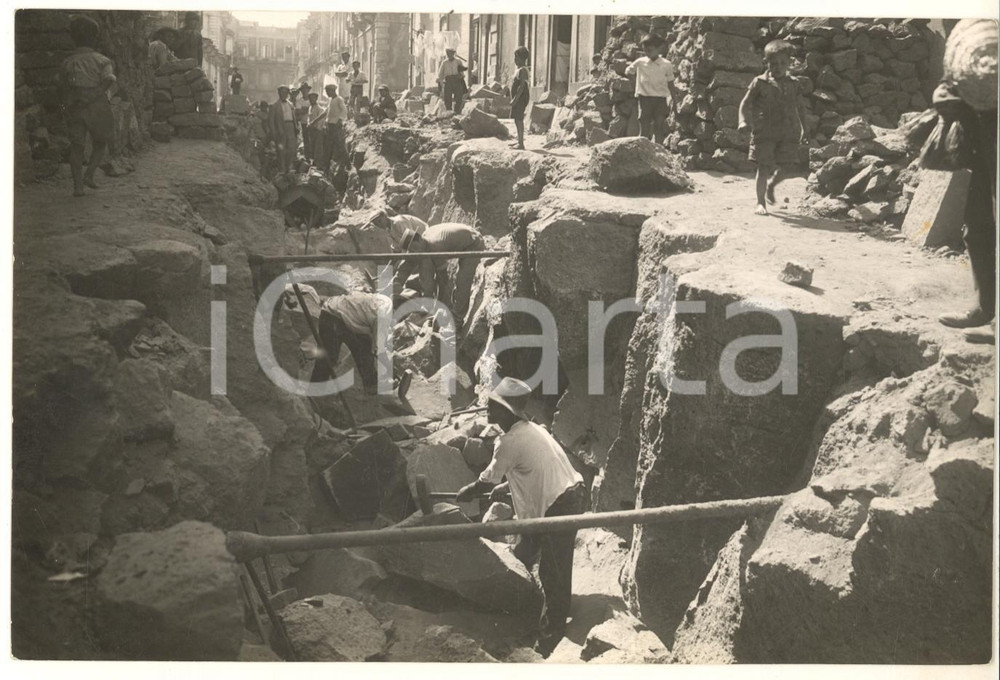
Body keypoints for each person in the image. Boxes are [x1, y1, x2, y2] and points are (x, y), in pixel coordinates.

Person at [455, 377, 586, 658]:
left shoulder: (509, 440)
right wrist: (505, 488)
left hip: (558, 504)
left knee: (553, 571)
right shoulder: (533, 430)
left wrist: (467, 492)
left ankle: (550, 636)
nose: (488, 411)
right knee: (526, 551)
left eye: (493, 407)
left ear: (507, 412)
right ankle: (529, 612)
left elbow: (486, 480)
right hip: (569, 493)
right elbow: (528, 468)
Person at [913, 19, 997, 340]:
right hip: (983, 148)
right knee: (977, 227)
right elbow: (945, 94)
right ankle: (986, 308)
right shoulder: (971, 55)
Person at [738, 39, 805, 216]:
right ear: (766, 63)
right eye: (773, 63)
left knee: (787, 166)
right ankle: (760, 203)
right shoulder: (759, 82)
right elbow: (745, 103)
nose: (778, 67)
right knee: (763, 167)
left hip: (788, 132)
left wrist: (805, 129)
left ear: (790, 63)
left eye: (783, 63)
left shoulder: (794, 84)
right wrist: (742, 121)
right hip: (764, 132)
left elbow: (801, 108)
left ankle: (772, 185)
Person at [289, 288, 393, 393]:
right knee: (329, 358)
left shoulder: (384, 299)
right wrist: (389, 368)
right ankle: (314, 392)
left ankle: (371, 384)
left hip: (337, 309)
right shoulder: (384, 316)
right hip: (333, 317)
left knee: (364, 345)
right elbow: (378, 348)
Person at [60, 15, 117, 197]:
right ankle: (89, 174)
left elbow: (62, 84)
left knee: (77, 146)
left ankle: (78, 187)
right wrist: (95, 93)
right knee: (101, 142)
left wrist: (67, 103)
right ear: (95, 38)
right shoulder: (102, 60)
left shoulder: (68, 62)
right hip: (97, 104)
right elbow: (109, 79)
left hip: (75, 104)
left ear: (73, 38)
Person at [393, 222, 485, 321]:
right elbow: (413, 266)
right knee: (423, 264)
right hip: (464, 236)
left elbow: (443, 278)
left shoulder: (435, 246)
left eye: (414, 248)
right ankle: (428, 304)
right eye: (411, 251)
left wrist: (440, 306)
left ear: (419, 239)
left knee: (462, 282)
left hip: (473, 243)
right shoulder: (425, 238)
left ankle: (457, 318)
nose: (414, 252)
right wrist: (396, 284)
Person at [625, 34, 678, 146]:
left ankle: (658, 151)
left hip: (660, 100)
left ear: (659, 49)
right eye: (645, 51)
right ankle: (642, 151)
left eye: (650, 50)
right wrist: (637, 83)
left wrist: (674, 100)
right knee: (644, 126)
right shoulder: (640, 62)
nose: (647, 53)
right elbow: (628, 71)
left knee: (659, 126)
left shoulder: (666, 64)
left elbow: (670, 83)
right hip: (645, 99)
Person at [267, 85, 299, 172]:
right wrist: (273, 132)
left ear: (288, 94)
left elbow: (294, 117)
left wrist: (296, 127)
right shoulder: (274, 106)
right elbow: (271, 120)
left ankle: (288, 167)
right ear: (278, 93)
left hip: (291, 127)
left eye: (285, 93)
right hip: (281, 128)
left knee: (292, 149)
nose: (283, 94)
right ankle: (282, 169)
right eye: (282, 93)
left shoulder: (290, 104)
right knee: (281, 150)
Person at [321, 83, 349, 173]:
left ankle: (347, 165)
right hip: (330, 126)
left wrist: (340, 121)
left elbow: (344, 111)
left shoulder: (339, 99)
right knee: (328, 147)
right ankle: (327, 167)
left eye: (328, 91)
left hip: (336, 127)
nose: (327, 93)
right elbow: (326, 112)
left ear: (332, 91)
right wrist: (315, 121)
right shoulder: (331, 100)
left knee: (340, 146)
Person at [511, 47, 531, 150]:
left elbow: (522, 86)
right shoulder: (519, 69)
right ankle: (519, 140)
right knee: (516, 119)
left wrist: (515, 99)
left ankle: (521, 144)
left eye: (516, 57)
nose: (514, 60)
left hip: (521, 97)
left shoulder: (523, 70)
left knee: (519, 119)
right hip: (518, 97)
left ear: (521, 58)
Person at [438, 47, 465, 114]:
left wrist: (461, 78)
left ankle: (456, 111)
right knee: (447, 97)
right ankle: (449, 112)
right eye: (448, 54)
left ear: (453, 54)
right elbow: (440, 74)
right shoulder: (444, 63)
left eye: (450, 53)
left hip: (457, 80)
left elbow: (462, 73)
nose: (449, 55)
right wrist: (440, 82)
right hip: (448, 81)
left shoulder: (458, 61)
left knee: (459, 97)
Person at [303, 91, 325, 161]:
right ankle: (313, 161)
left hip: (317, 130)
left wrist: (316, 128)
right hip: (311, 130)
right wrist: (308, 124)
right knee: (311, 145)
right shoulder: (310, 107)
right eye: (310, 98)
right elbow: (309, 118)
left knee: (318, 147)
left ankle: (318, 162)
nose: (312, 100)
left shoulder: (319, 108)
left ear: (316, 99)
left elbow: (321, 120)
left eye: (313, 98)